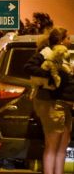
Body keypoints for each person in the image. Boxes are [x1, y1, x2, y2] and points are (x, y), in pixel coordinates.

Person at [24, 27, 73, 174]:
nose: (70, 41)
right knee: (52, 145)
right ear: (60, 40)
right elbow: (28, 67)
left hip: (65, 104)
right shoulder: (47, 53)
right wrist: (49, 75)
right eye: (68, 38)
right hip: (52, 103)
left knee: (63, 144)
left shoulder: (64, 56)